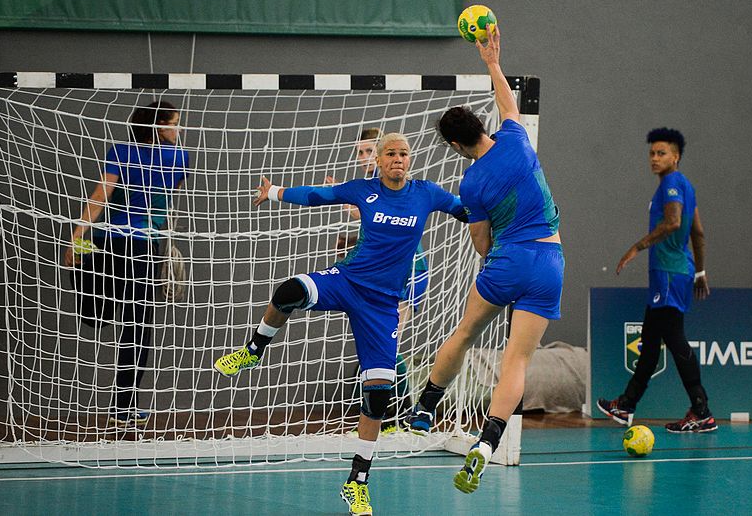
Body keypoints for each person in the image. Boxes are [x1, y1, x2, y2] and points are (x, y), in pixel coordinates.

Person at [214, 132, 467, 516]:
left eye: (404, 154)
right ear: (379, 161)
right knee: (288, 292)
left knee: (378, 393)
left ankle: (357, 483)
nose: (398, 159)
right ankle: (251, 351)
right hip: (347, 282)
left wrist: (500, 211)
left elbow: (467, 210)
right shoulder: (363, 190)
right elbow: (319, 196)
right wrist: (277, 192)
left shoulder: (426, 193)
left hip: (382, 304)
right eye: (391, 154)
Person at [403, 23, 564, 494]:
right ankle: (488, 443)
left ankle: (424, 408)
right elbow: (507, 101)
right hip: (550, 264)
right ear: (482, 124)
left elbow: (479, 243)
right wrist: (492, 61)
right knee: (517, 359)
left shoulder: (471, 185)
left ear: (456, 146)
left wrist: (495, 252)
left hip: (506, 261)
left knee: (467, 332)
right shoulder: (516, 138)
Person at [64, 100, 188, 427]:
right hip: (134, 246)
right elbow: (107, 193)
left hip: (120, 244)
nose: (179, 129)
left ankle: (124, 405)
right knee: (134, 326)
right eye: (174, 123)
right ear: (157, 126)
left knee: (130, 325)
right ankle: (124, 404)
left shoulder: (157, 154)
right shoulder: (175, 157)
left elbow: (103, 196)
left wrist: (78, 235)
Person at [597, 128, 715, 433]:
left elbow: (674, 222)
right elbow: (697, 232)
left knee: (674, 339)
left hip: (668, 273)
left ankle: (701, 410)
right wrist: (700, 271)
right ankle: (626, 405)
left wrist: (637, 246)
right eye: (651, 153)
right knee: (650, 343)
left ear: (675, 156)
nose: (654, 158)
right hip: (679, 272)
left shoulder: (673, 183)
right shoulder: (684, 185)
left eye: (661, 153)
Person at [327, 128, 425, 434]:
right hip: (382, 278)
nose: (364, 158)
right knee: (378, 346)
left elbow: (387, 225)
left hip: (406, 275)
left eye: (370, 151)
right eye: (360, 152)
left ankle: (403, 414)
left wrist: (353, 217)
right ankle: (386, 418)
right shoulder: (368, 189)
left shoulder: (398, 189)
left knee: (387, 346)